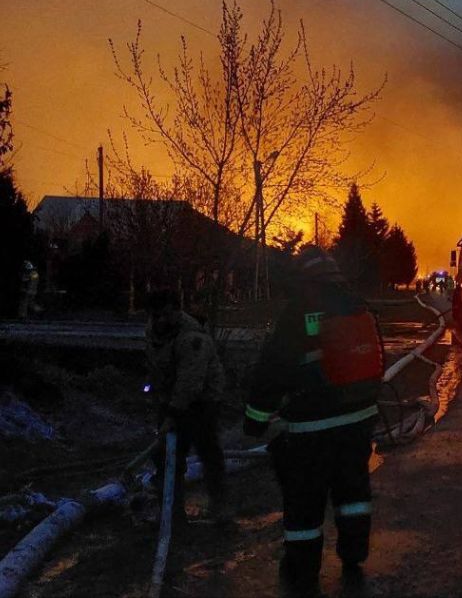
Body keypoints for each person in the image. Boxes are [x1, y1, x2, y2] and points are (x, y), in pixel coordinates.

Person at [244, 246, 384, 595]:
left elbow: (272, 371)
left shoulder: (297, 313)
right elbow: (378, 356)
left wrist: (255, 421)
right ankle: (354, 554)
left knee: (304, 502)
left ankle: (302, 571)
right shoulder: (357, 304)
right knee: (353, 492)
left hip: (311, 430)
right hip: (358, 422)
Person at [145, 289, 227, 523]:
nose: (161, 320)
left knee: (208, 450)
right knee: (165, 455)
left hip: (202, 400)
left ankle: (220, 505)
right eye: (155, 315)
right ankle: (171, 511)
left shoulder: (192, 338)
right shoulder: (153, 332)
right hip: (171, 400)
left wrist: (173, 413)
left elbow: (190, 380)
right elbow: (157, 368)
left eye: (165, 315)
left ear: (176, 311)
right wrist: (159, 401)